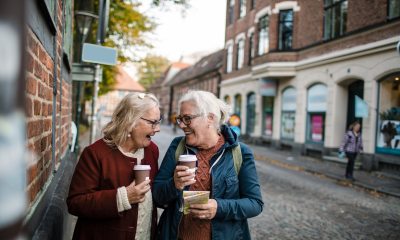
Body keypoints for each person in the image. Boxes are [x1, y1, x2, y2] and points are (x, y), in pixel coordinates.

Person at [153, 90, 264, 240]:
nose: (181, 125)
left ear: (210, 118)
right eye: (180, 119)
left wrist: (218, 208)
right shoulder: (177, 146)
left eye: (187, 118)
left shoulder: (240, 152)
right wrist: (175, 184)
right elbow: (157, 197)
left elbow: (255, 203)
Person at [67, 92, 161, 240]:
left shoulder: (152, 151)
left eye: (159, 121)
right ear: (130, 122)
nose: (157, 129)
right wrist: (123, 197)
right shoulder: (95, 153)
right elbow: (75, 203)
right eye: (153, 122)